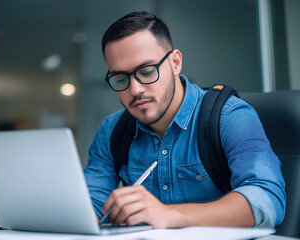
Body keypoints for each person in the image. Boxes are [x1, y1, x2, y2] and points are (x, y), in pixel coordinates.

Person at [84, 11, 285, 229]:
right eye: (120, 78)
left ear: (175, 62)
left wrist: (169, 214)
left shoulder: (230, 116)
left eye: (147, 71)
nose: (135, 89)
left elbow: (267, 198)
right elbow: (90, 205)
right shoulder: (112, 131)